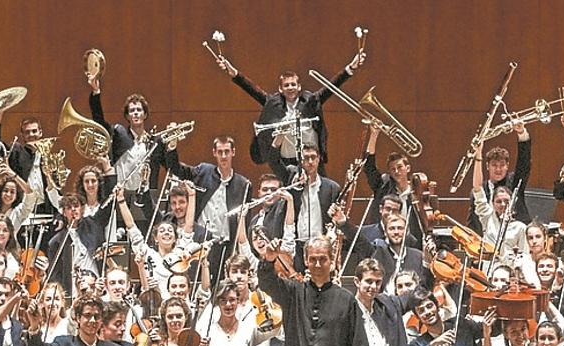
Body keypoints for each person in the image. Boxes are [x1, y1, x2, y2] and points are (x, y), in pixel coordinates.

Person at [216, 47, 365, 180]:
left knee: (321, 196)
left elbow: (331, 87)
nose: (290, 87)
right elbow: (252, 90)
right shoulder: (273, 103)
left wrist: (350, 68)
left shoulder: (310, 101)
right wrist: (234, 73)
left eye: (293, 84)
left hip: (311, 159)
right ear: (280, 89)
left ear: (299, 86)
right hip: (287, 163)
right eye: (286, 85)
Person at [164, 135, 252, 287]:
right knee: (194, 283)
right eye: (220, 152)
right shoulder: (203, 171)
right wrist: (172, 148)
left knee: (220, 287)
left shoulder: (243, 184)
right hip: (199, 243)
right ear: (214, 153)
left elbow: (245, 220)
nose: (223, 156)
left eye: (226, 151)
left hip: (224, 246)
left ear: (233, 152)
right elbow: (177, 169)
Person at [89, 79, 167, 221]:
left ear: (145, 114)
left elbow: (170, 165)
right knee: (120, 238)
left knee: (146, 237)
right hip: (121, 195)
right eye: (132, 110)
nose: (135, 113)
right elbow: (99, 121)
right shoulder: (119, 134)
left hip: (146, 198)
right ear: (127, 116)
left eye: (139, 110)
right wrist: (96, 93)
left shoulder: (155, 141)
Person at [0, 113, 62, 215]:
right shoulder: (17, 151)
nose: (31, 134)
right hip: (23, 208)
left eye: (34, 131)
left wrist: (59, 216)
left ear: (40, 132)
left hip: (46, 209)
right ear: (22, 135)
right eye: (27, 132)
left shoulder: (49, 157)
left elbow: (56, 188)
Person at [468, 121, 532, 231]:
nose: (498, 169)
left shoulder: (514, 182)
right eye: (494, 165)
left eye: (502, 165)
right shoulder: (480, 190)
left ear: (507, 166)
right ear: (487, 166)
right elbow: (473, 222)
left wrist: (522, 133)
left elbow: (524, 162)